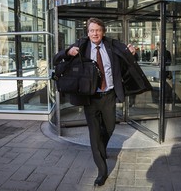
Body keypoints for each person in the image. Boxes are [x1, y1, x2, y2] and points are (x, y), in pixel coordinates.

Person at [53, 17, 152, 186]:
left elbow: (127, 56)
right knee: (94, 134)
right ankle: (102, 171)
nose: (95, 33)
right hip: (90, 97)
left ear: (103, 32)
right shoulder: (81, 46)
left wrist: (131, 51)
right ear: (88, 32)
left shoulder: (112, 45)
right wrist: (67, 52)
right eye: (92, 30)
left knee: (110, 126)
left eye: (98, 30)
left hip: (109, 95)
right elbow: (56, 58)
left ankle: (101, 147)